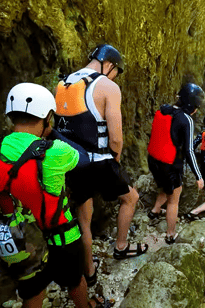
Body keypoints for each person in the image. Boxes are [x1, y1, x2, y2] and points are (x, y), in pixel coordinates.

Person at [0, 83, 101, 308]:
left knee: (32, 292)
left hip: (21, 239)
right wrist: (52, 132)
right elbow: (83, 159)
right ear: (47, 117)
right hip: (62, 237)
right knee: (75, 281)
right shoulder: (55, 152)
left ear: (11, 117)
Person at [54, 44, 147, 283]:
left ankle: (89, 272)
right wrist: (115, 162)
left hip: (72, 161)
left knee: (83, 218)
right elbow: (115, 137)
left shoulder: (63, 84)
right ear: (110, 65)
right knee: (130, 198)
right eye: (117, 71)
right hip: (100, 161)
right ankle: (121, 246)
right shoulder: (108, 86)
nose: (116, 77)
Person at [147, 83, 205, 244]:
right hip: (169, 164)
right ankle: (170, 234)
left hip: (153, 160)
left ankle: (155, 210)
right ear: (191, 106)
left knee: (166, 187)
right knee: (174, 199)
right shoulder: (185, 119)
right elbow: (189, 150)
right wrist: (198, 176)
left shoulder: (163, 109)